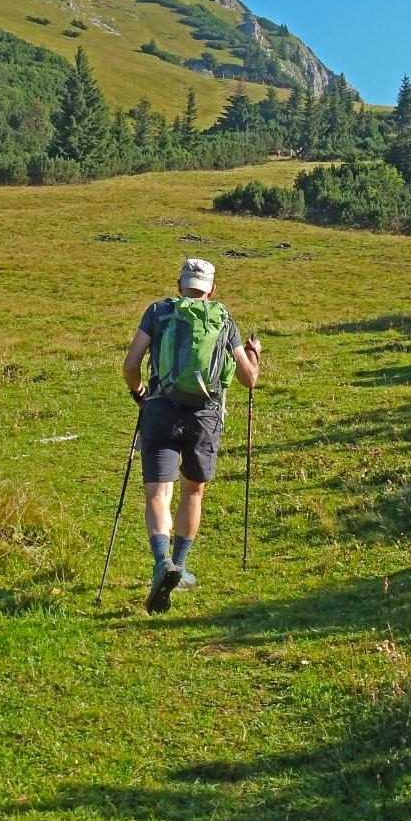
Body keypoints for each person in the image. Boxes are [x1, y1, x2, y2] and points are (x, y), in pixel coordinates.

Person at [122, 257, 261, 613]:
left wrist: (139, 393)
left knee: (158, 491)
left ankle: (160, 562)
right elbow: (249, 379)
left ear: (179, 285)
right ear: (211, 289)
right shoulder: (223, 318)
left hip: (160, 411)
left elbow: (130, 365)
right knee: (192, 492)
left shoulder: (158, 312)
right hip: (205, 416)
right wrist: (254, 356)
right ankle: (180, 567)